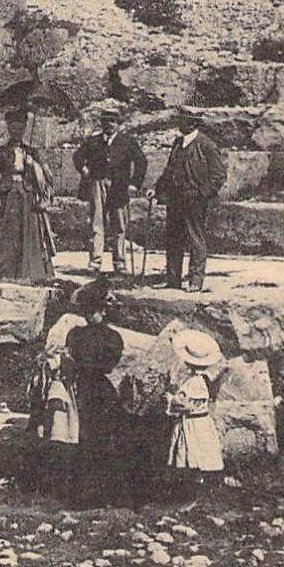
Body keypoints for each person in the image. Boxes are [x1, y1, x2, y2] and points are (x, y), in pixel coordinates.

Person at [27, 279, 126, 502]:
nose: (91, 314)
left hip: (83, 388)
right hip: (96, 389)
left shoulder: (79, 335)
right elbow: (108, 364)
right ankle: (95, 491)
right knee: (94, 437)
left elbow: (87, 360)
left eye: (92, 310)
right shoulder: (109, 337)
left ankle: (81, 490)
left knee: (84, 436)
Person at [150, 111, 227, 292]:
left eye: (182, 121)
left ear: (193, 124)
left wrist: (202, 194)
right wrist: (157, 188)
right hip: (175, 199)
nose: (179, 124)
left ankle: (195, 281)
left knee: (195, 239)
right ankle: (172, 279)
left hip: (195, 199)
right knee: (173, 239)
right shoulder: (178, 143)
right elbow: (169, 171)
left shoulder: (206, 145)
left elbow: (219, 175)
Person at [0, 109, 57, 282]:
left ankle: (29, 268)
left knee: (28, 232)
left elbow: (46, 175)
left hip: (26, 195)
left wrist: (33, 164)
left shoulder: (32, 152)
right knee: (2, 232)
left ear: (24, 129)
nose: (17, 132)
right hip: (7, 194)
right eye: (14, 128)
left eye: (21, 129)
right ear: (8, 129)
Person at [72, 102, 150, 272]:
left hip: (119, 186)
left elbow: (141, 162)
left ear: (119, 123)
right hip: (98, 183)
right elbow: (78, 156)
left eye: (113, 121)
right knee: (96, 223)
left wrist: (134, 184)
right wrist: (84, 170)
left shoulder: (127, 142)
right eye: (106, 121)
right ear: (102, 123)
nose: (109, 124)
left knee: (119, 224)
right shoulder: (93, 141)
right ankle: (95, 261)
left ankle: (120, 262)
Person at [166, 329, 225, 483]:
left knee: (193, 452)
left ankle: (194, 485)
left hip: (193, 422)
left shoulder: (194, 382)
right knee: (200, 451)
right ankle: (197, 483)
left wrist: (170, 399)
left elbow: (186, 404)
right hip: (201, 422)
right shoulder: (202, 379)